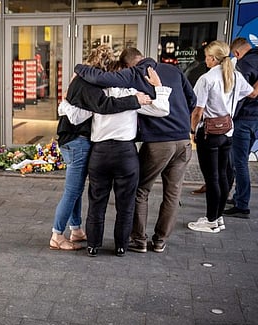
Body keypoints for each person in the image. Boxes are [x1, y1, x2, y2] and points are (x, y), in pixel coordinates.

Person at [74, 47, 196, 253]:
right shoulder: (139, 94)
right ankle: (132, 245)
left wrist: (79, 74)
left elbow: (74, 116)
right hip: (138, 151)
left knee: (99, 200)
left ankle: (98, 245)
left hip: (103, 152)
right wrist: (160, 88)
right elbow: (171, 106)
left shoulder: (100, 96)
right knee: (132, 202)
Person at [51, 49, 149, 251]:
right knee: (73, 191)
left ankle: (76, 229)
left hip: (73, 140)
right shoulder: (89, 84)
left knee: (77, 191)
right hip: (77, 141)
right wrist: (135, 100)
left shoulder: (81, 80)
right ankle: (57, 235)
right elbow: (104, 105)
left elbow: (74, 108)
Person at [187, 41, 253, 233]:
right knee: (223, 176)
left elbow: (197, 111)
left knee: (212, 178)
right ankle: (218, 218)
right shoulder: (235, 75)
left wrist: (192, 130)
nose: (205, 60)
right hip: (228, 132)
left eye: (207, 56)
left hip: (209, 134)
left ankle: (210, 220)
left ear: (213, 58)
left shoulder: (206, 79)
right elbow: (250, 93)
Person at [224, 37, 258, 218]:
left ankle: (242, 204)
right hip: (255, 119)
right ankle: (239, 197)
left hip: (244, 119)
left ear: (236, 53)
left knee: (239, 163)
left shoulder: (244, 64)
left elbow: (244, 94)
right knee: (241, 159)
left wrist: (229, 115)